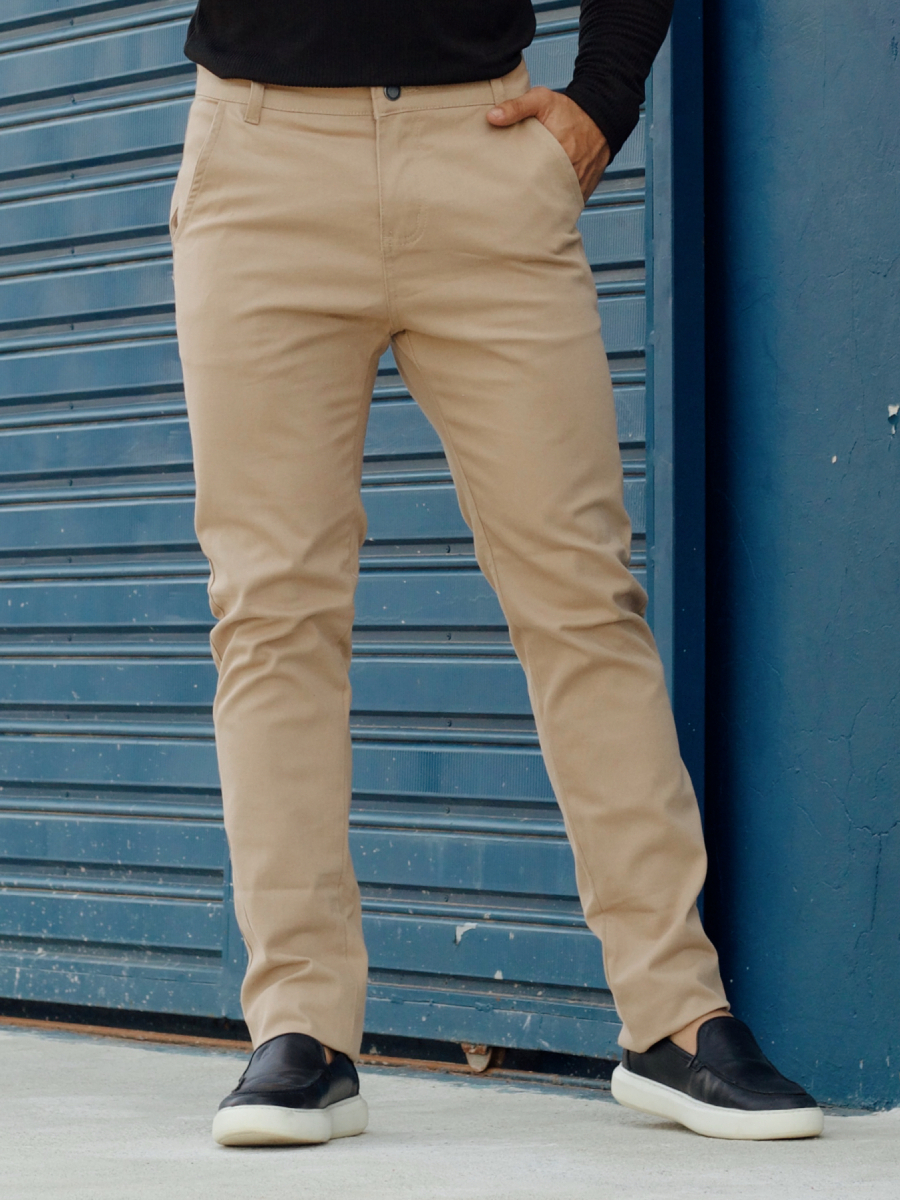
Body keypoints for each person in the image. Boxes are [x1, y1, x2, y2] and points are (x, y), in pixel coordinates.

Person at [170, 0, 824, 1145]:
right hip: (263, 159)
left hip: (481, 150)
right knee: (271, 610)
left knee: (582, 595)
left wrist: (606, 94)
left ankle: (674, 1015)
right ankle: (300, 1029)